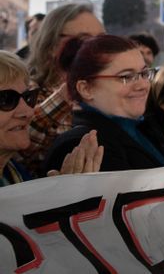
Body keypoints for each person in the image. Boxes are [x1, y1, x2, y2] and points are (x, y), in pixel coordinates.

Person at [44, 35, 164, 173]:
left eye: (144, 74)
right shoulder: (83, 145)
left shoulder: (144, 128)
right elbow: (152, 205)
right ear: (86, 89)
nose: (143, 85)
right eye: (126, 77)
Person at [21, 3, 105, 175]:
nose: (96, 48)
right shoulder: (27, 91)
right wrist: (67, 93)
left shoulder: (106, 90)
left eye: (102, 40)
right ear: (52, 46)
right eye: (84, 40)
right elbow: (16, 149)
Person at [0, 51, 102, 186]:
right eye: (6, 100)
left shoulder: (13, 171)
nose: (28, 112)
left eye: (28, 97)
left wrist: (63, 192)